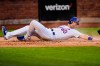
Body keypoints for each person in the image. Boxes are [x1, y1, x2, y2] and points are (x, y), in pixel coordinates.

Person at [2, 17, 99, 41]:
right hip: (47, 32)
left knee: (33, 22)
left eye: (77, 23)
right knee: (29, 27)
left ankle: (26, 37)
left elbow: (83, 35)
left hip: (49, 35)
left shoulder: (74, 31)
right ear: (71, 21)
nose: (76, 24)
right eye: (76, 22)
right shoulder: (64, 26)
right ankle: (8, 35)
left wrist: (92, 38)